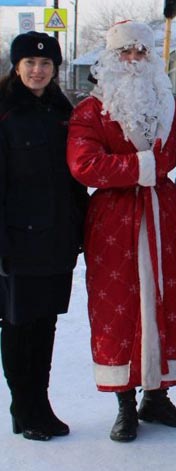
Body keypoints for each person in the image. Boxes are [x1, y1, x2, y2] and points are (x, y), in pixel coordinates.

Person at [66, 20, 176, 442]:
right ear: (110, 58)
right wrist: (140, 168)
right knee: (118, 306)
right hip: (115, 220)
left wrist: (153, 172)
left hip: (164, 213)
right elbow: (84, 164)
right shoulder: (90, 110)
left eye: (141, 52)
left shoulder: (170, 107)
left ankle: (156, 397)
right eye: (126, 52)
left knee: (168, 298)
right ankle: (124, 400)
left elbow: (173, 154)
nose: (135, 59)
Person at [0, 31, 88, 441]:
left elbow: (75, 178)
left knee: (45, 324)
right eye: (31, 63)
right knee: (19, 324)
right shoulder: (4, 111)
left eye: (46, 64)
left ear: (55, 69)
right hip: (17, 241)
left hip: (57, 239)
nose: (38, 70)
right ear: (17, 66)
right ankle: (25, 407)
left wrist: (82, 228)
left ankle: (41, 403)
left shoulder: (61, 109)